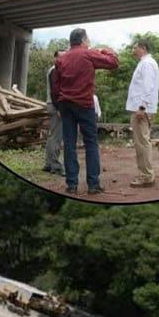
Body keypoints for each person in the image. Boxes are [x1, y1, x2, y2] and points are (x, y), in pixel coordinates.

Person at [54, 28, 119, 195]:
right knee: (90, 143)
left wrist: (58, 107)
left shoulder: (61, 59)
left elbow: (56, 86)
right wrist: (104, 50)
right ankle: (93, 184)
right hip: (84, 104)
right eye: (88, 39)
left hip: (66, 105)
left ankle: (71, 185)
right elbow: (113, 62)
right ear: (83, 40)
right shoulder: (88, 54)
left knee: (69, 144)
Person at [125, 39, 159, 187]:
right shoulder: (145, 63)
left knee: (142, 143)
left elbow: (148, 86)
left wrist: (142, 107)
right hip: (140, 108)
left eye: (135, 48)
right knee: (141, 142)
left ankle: (147, 176)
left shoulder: (147, 64)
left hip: (141, 109)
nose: (133, 50)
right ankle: (145, 174)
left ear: (143, 48)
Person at [43, 51, 64, 176]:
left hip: (52, 105)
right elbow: (54, 92)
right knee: (57, 136)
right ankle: (55, 166)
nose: (64, 58)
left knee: (52, 136)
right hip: (55, 106)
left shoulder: (53, 70)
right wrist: (59, 108)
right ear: (55, 57)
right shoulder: (54, 70)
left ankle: (48, 163)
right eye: (61, 56)